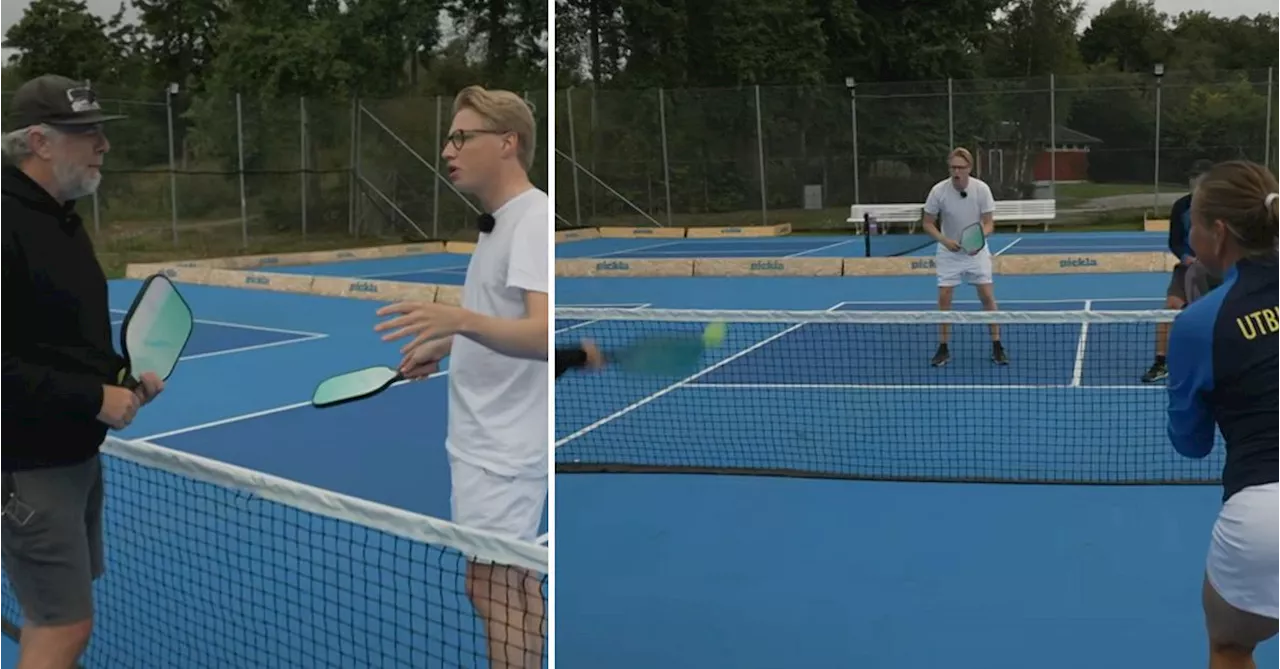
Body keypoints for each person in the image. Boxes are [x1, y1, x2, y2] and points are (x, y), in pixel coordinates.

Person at [373, 85, 547, 669]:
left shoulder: (531, 220)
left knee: (495, 588)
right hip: (482, 441)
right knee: (507, 585)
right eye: (449, 137)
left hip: (503, 450)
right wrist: (447, 344)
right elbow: (501, 322)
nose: (447, 149)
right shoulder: (500, 222)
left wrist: (460, 318)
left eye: (460, 137)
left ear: (506, 143)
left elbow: (544, 335)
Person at [0, 74, 164, 669]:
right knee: (60, 626)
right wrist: (90, 397)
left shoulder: (60, 216)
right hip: (28, 466)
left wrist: (120, 378)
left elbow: (59, 336)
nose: (104, 144)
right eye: (87, 132)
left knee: (62, 617)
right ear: (40, 142)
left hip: (70, 454)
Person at [1165, 160, 1280, 669]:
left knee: (1231, 646)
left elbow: (1192, 443)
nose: (1188, 233)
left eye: (1194, 222)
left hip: (1264, 514)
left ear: (1219, 231)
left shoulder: (1197, 324)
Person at [921, 147, 1007, 366]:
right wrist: (945, 241)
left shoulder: (981, 190)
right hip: (949, 251)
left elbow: (989, 223)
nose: (956, 172)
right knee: (945, 298)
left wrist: (977, 240)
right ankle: (943, 348)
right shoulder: (938, 191)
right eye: (953, 167)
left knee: (987, 296)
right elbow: (928, 223)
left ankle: (997, 345)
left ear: (969, 168)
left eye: (961, 167)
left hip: (976, 251)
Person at [1143, 159, 1222, 383]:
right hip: (1187, 267)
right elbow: (1174, 241)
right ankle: (1161, 362)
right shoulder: (1181, 207)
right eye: (1193, 177)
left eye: (1200, 177)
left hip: (1218, 268)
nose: (1195, 181)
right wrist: (1187, 258)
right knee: (1169, 307)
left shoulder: (1222, 208)